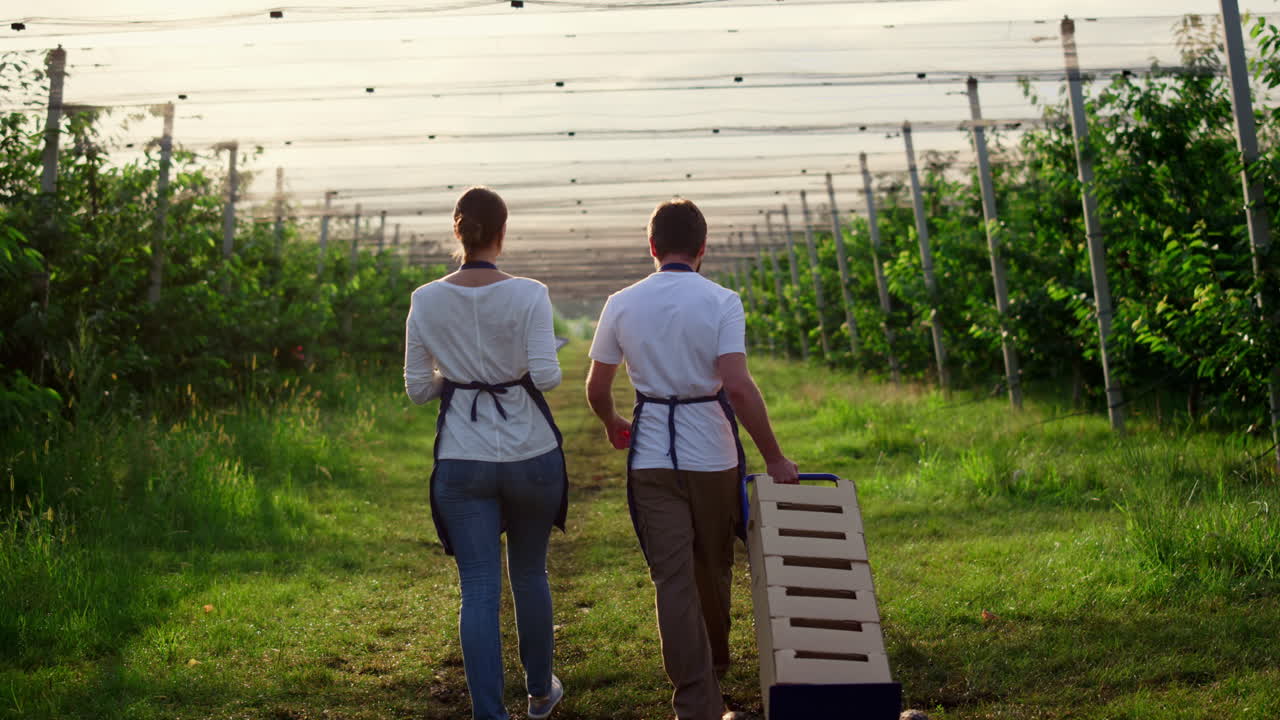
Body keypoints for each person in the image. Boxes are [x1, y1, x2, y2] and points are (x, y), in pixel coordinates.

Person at [585, 198, 799, 720]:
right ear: (703, 250)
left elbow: (597, 386)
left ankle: (697, 702)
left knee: (672, 579)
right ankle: (715, 669)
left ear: (652, 247)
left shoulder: (621, 302)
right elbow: (738, 387)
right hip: (713, 455)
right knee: (713, 566)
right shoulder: (722, 301)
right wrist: (774, 456)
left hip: (652, 454)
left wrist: (614, 423)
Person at [404, 186, 567, 720]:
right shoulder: (529, 293)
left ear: (458, 231)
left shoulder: (425, 299)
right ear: (503, 232)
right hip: (531, 453)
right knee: (530, 574)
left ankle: (489, 714)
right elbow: (546, 376)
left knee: (477, 588)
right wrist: (513, 368)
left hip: (462, 457)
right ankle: (540, 693)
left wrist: (460, 373)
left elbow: (418, 389)